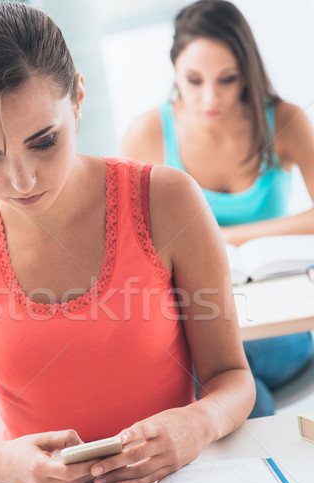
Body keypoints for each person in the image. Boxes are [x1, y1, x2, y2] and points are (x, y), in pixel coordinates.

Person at [0, 2, 254, 483]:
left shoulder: (167, 200)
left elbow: (234, 379)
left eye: (43, 141)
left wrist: (197, 425)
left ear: (77, 97)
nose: (20, 180)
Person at [122, 0, 314, 418]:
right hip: (196, 316)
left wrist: (227, 238)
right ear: (174, 69)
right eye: (194, 80)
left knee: (219, 380)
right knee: (244, 393)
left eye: (227, 79)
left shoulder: (283, 120)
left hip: (274, 322)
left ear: (247, 71)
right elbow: (125, 242)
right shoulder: (148, 132)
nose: (210, 97)